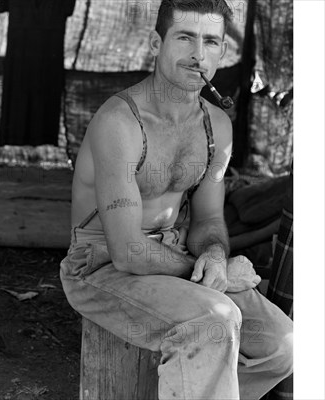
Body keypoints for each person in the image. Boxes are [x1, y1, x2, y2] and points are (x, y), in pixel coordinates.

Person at [60, 1, 292, 398]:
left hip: (176, 252)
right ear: (156, 43)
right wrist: (211, 275)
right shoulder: (120, 123)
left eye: (211, 41)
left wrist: (216, 258)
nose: (198, 54)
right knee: (213, 322)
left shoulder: (215, 125)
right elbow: (129, 253)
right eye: (185, 37)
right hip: (101, 267)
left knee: (282, 344)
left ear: (222, 51)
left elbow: (208, 220)